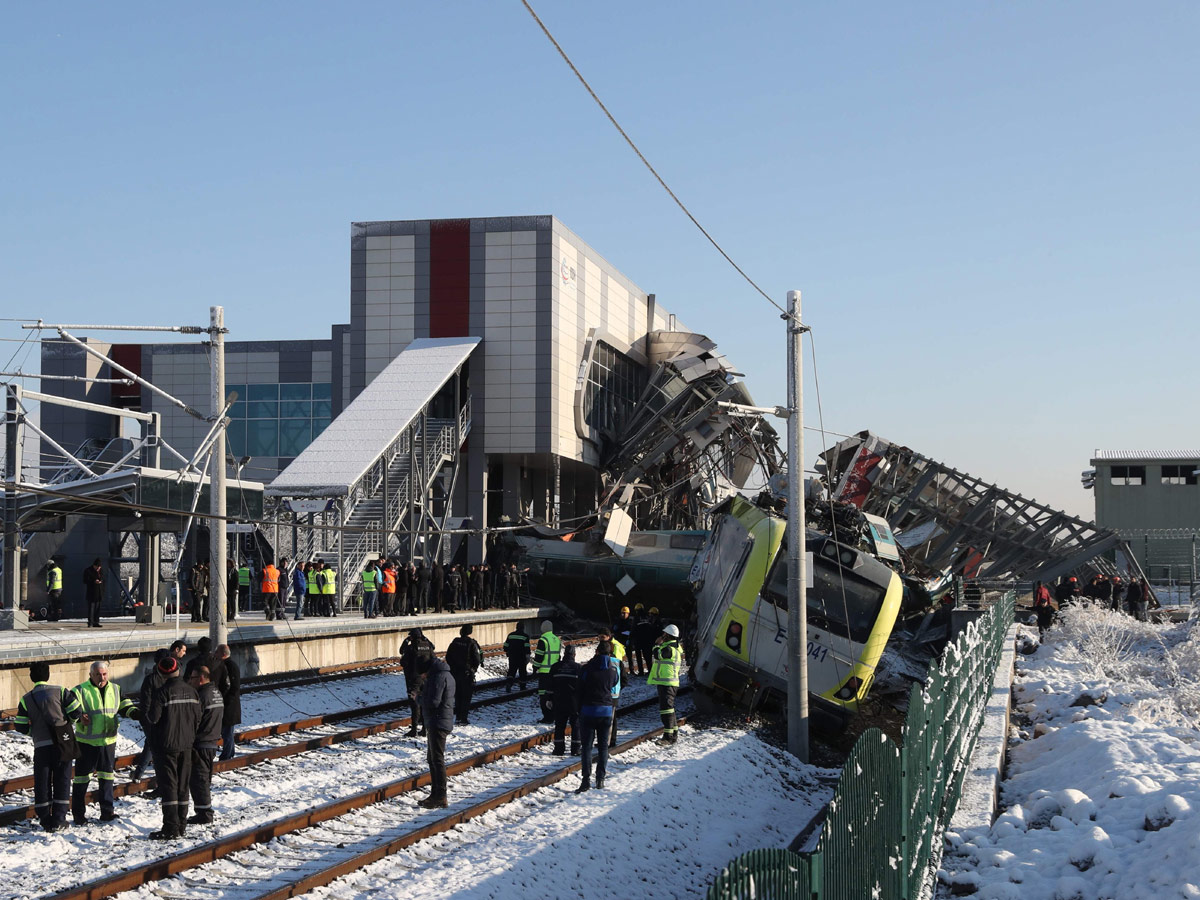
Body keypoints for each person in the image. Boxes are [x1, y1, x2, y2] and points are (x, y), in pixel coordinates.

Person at [15, 662, 83, 831]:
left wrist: (34, 733)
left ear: (31, 678)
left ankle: (45, 819)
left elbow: (20, 725)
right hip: (62, 744)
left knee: (42, 782)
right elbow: (76, 711)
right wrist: (68, 724)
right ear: (48, 675)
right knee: (62, 779)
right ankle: (59, 819)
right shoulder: (60, 691)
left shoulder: (26, 699)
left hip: (41, 747)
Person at [71, 660, 136, 824]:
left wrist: (134, 713)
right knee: (81, 779)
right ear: (91, 675)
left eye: (105, 674)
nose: (102, 677)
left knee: (107, 778)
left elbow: (124, 704)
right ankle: (78, 815)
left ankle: (107, 812)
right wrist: (79, 716)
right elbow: (70, 708)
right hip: (87, 743)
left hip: (108, 742)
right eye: (98, 674)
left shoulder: (115, 689)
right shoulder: (80, 690)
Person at [145, 656, 200, 839]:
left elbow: (153, 718)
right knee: (183, 786)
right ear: (179, 670)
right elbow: (198, 718)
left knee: (169, 787)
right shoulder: (192, 692)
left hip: (166, 747)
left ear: (161, 672)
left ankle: (170, 828)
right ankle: (181, 825)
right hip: (187, 745)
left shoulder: (161, 693)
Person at [575, 641, 619, 793]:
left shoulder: (586, 669)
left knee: (586, 747)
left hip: (588, 711)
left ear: (597, 652)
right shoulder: (613, 670)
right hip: (606, 711)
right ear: (610, 653)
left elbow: (579, 688)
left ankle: (586, 780)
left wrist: (578, 708)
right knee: (603, 747)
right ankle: (600, 779)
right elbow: (615, 683)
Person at [418, 649, 455, 808]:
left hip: (438, 722)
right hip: (438, 721)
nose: (422, 677)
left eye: (422, 674)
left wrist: (418, 697)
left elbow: (433, 701)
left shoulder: (438, 677)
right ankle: (436, 794)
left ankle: (440, 795)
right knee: (432, 759)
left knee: (437, 760)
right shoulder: (443, 673)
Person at [187, 665, 223, 825]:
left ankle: (204, 813)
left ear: (201, 679)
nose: (190, 681)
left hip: (201, 742)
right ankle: (204, 810)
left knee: (198, 779)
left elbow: (194, 720)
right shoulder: (216, 693)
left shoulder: (202, 696)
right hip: (212, 740)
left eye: (193, 678)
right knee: (204, 778)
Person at [130, 648, 171, 781]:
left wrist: (145, 718)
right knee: (155, 745)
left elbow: (145, 701)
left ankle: (139, 774)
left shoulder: (151, 679)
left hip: (152, 717)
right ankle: (142, 774)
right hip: (167, 716)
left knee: (151, 744)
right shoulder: (173, 678)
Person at [648, 623, 683, 745]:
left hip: (667, 682)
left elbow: (657, 655)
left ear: (668, 635)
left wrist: (656, 645)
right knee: (669, 709)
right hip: (668, 682)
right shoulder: (673, 647)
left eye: (664, 634)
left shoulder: (669, 649)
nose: (662, 636)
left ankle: (668, 737)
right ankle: (673, 734)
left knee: (666, 710)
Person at [446, 624, 483, 725]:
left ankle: (458, 717)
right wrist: (473, 670)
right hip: (466, 674)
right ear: (470, 632)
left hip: (454, 673)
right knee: (466, 697)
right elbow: (477, 659)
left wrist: (453, 668)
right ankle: (463, 719)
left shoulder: (454, 642)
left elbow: (448, 657)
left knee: (457, 696)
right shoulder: (471, 643)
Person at [400, 628, 435, 736]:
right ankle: (425, 728)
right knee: (424, 702)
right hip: (426, 679)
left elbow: (403, 659)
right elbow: (433, 651)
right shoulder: (427, 646)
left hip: (414, 679)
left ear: (412, 637)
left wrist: (406, 641)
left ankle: (414, 729)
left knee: (414, 704)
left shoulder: (410, 648)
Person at [599, 628, 630, 748]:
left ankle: (608, 741)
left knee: (607, 718)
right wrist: (617, 688)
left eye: (602, 637)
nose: (600, 639)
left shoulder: (611, 657)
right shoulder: (617, 662)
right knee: (610, 718)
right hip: (613, 693)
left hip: (606, 692)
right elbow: (624, 680)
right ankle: (609, 740)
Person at [550, 643, 582, 756]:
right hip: (574, 702)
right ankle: (575, 749)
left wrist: (549, 699)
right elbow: (583, 687)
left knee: (559, 725)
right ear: (574, 654)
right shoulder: (578, 668)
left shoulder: (555, 667)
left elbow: (549, 685)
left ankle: (558, 749)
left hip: (558, 700)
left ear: (564, 654)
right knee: (576, 725)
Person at [532, 620, 562, 723]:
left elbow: (539, 656)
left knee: (543, 695)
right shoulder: (556, 639)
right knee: (553, 694)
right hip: (555, 671)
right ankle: (553, 715)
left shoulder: (543, 640)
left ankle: (547, 717)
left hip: (545, 672)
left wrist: (535, 667)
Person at [216, 644, 241, 761]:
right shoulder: (228, 665)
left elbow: (234, 687)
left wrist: (226, 701)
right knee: (227, 731)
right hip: (228, 704)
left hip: (229, 705)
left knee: (227, 731)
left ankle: (227, 754)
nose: (215, 654)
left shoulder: (230, 666)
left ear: (223, 654)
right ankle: (229, 752)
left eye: (217, 652)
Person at [503, 623, 530, 692]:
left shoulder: (510, 635)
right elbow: (527, 648)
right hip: (521, 657)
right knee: (522, 673)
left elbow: (505, 646)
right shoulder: (525, 636)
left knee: (511, 671)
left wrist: (507, 651)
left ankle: (509, 683)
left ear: (516, 627)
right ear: (523, 628)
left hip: (512, 657)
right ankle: (522, 687)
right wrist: (527, 656)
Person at [82, 558, 104, 627]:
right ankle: (90, 622)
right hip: (91, 592)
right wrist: (94, 581)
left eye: (99, 567)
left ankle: (96, 621)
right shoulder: (88, 571)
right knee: (91, 608)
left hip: (99, 592)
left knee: (97, 608)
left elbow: (103, 579)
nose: (98, 568)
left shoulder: (101, 571)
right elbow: (85, 580)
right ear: (94, 566)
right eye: (97, 567)